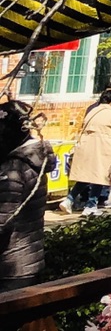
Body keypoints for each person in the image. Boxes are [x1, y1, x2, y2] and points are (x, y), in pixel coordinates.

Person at [0, 100, 53, 287]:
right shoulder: (33, 162)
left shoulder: (13, 171)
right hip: (29, 261)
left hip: (11, 267)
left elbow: (2, 221)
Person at [67, 86, 111, 214]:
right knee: (100, 176)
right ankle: (91, 205)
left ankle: (69, 199)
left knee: (85, 176)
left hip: (87, 146)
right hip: (102, 148)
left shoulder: (92, 111)